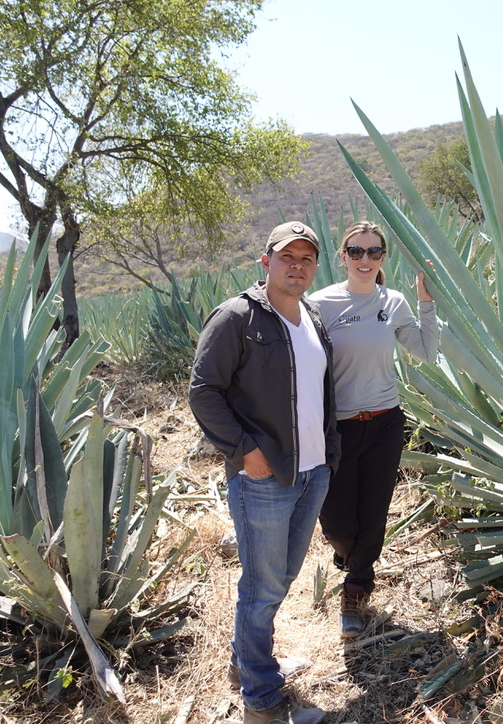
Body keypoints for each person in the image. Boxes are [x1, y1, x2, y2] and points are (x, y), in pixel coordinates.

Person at [189, 221, 339, 724]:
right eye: (287, 256)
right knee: (262, 585)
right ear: (265, 261)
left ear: (314, 267)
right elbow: (203, 390)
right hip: (263, 478)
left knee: (278, 578)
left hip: (313, 471)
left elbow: (324, 394)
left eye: (306, 258)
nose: (297, 265)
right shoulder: (237, 317)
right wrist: (245, 453)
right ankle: (261, 702)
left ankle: (246, 665)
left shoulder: (312, 317)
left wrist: (330, 455)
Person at [309, 220, 439, 638]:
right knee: (337, 522)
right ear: (342, 256)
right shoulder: (320, 304)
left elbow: (426, 352)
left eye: (374, 252)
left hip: (385, 421)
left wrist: (426, 303)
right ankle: (350, 555)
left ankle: (355, 591)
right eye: (357, 251)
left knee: (374, 512)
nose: (365, 259)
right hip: (338, 428)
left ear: (384, 258)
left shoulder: (394, 301)